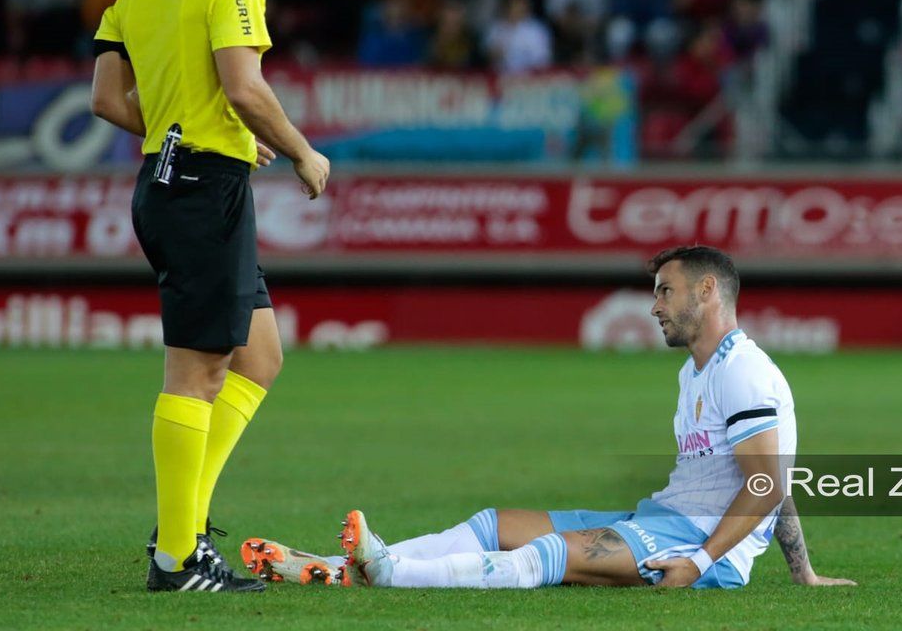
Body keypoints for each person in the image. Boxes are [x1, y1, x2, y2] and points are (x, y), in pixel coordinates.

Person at [241, 246, 854, 591]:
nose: (654, 305)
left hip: (692, 544)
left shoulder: (741, 369)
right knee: (499, 523)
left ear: (708, 292)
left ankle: (386, 572)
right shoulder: (696, 370)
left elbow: (766, 484)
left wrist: (702, 560)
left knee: (551, 553)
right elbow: (778, 478)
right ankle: (352, 562)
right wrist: (804, 574)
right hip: (663, 521)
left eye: (666, 290)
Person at [89, 0, 330, 593]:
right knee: (197, 371)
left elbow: (105, 97)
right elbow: (243, 83)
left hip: (175, 177)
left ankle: (181, 519)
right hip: (200, 190)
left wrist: (188, 131)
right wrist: (300, 151)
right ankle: (178, 557)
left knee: (259, 357)